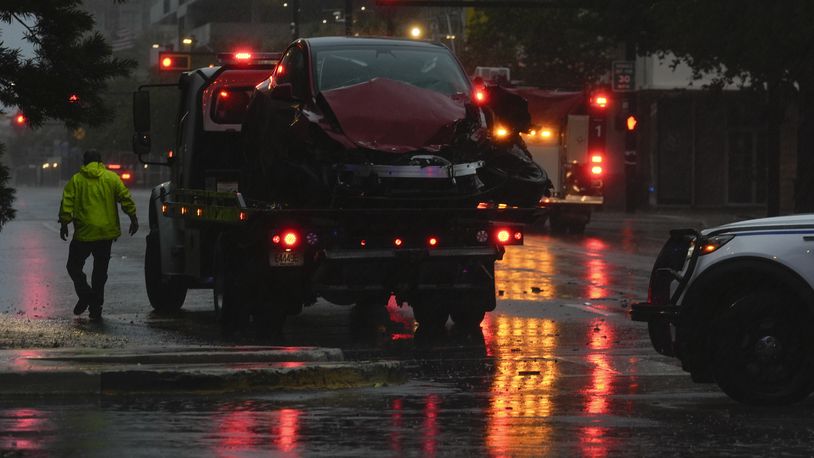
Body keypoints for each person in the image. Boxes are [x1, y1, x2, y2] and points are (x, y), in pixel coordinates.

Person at [58, 150, 138, 321]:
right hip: (105, 234)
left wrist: (64, 223)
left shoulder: (76, 180)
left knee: (73, 266)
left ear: (84, 162)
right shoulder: (111, 178)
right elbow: (125, 198)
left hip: (84, 234)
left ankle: (86, 294)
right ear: (100, 161)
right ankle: (96, 306)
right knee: (100, 272)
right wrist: (133, 217)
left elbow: (67, 203)